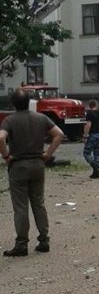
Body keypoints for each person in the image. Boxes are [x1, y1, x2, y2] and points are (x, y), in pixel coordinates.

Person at [0, 87, 64, 257]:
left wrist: (6, 155)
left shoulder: (10, 120)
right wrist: (47, 154)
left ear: (13, 103)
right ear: (29, 102)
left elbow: (1, 137)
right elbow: (59, 134)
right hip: (37, 165)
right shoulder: (41, 118)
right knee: (38, 203)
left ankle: (21, 244)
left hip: (18, 165)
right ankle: (44, 240)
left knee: (21, 206)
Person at [83, 99, 99, 179]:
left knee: (86, 152)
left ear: (90, 105)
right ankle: (96, 171)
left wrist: (85, 135)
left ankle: (94, 167)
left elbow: (88, 125)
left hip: (93, 135)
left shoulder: (89, 114)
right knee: (97, 154)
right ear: (96, 105)